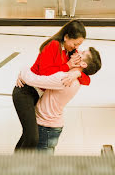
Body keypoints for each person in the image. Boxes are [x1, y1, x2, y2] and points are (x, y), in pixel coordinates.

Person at [13, 19, 90, 151]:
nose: (77, 48)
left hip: (37, 94)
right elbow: (45, 74)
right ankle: (18, 167)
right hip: (25, 92)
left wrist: (76, 74)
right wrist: (68, 66)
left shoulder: (71, 52)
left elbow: (87, 78)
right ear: (66, 37)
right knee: (32, 137)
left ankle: (14, 166)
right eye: (75, 43)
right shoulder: (53, 45)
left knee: (28, 136)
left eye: (79, 45)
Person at [18, 47, 102, 154]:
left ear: (83, 64)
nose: (78, 50)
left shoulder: (65, 79)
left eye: (83, 52)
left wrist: (22, 69)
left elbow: (32, 79)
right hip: (49, 126)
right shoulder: (74, 77)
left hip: (46, 128)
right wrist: (78, 72)